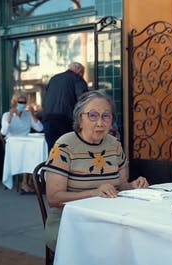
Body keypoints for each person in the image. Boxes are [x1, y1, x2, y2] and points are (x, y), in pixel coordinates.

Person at [43, 90, 149, 251]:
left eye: (106, 116)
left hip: (109, 217)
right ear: (80, 118)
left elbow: (120, 186)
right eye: (93, 115)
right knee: (114, 245)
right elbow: (54, 198)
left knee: (141, 238)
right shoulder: (65, 145)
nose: (100, 122)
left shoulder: (114, 145)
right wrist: (94, 193)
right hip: (70, 222)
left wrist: (134, 185)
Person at [0, 92, 43, 193]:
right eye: (20, 102)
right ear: (15, 102)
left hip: (26, 143)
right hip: (13, 144)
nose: (22, 104)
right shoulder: (6, 115)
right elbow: (3, 132)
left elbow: (40, 128)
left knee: (34, 151)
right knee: (28, 152)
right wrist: (10, 117)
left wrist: (33, 115)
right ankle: (25, 183)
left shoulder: (27, 115)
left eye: (24, 102)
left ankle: (33, 181)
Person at [42, 62, 88, 151]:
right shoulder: (77, 78)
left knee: (53, 152)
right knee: (69, 151)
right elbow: (83, 99)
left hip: (48, 120)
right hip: (65, 120)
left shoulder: (54, 79)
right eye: (82, 72)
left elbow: (45, 100)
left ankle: (53, 165)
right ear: (78, 70)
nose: (82, 75)